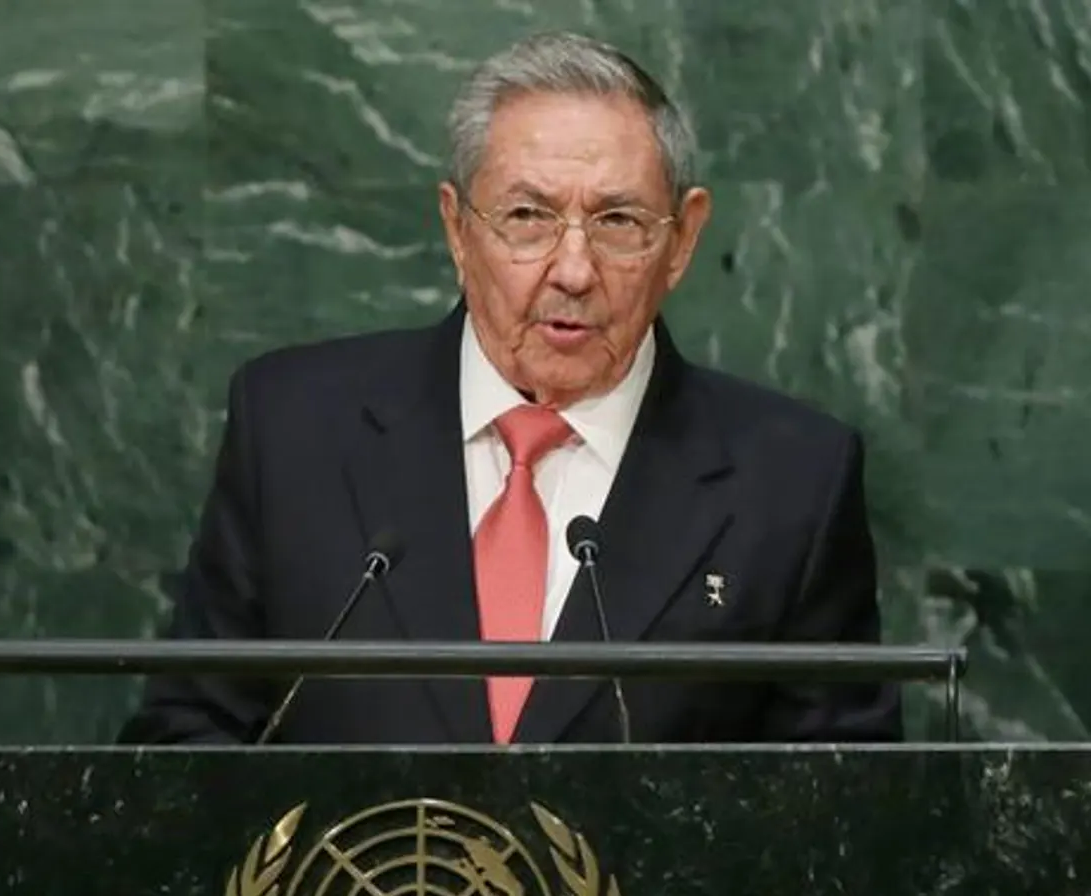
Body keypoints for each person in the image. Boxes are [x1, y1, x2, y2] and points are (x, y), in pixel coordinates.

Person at [118, 31, 901, 745]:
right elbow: (190, 739)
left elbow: (841, 824)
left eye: (619, 221)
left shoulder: (793, 482)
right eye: (527, 216)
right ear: (458, 229)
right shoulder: (294, 428)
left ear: (683, 239)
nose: (572, 269)